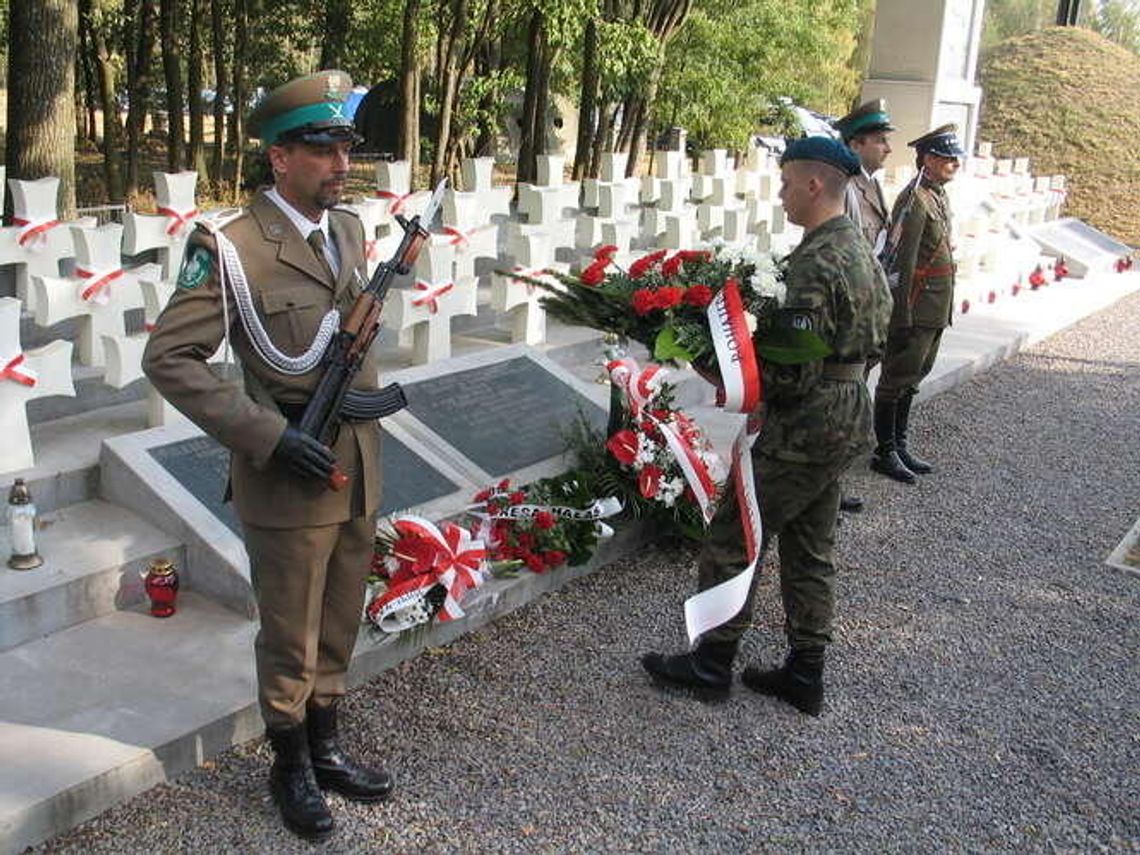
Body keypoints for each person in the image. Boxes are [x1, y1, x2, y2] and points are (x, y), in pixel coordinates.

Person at [143, 70, 393, 841]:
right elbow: (170, 357)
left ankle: (326, 743)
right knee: (289, 631)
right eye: (322, 148)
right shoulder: (230, 246)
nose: (339, 163)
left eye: (344, 145)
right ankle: (289, 763)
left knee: (342, 615)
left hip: (354, 467)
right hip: (287, 474)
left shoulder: (347, 230)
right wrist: (265, 435)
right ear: (279, 158)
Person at [641, 137, 892, 716]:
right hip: (847, 414)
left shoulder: (816, 261)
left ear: (813, 185)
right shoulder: (856, 246)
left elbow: (791, 373)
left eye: (785, 184)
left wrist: (720, 371)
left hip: (804, 428)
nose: (779, 195)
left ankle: (712, 660)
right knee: (810, 545)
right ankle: (806, 670)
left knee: (735, 533)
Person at [870, 123, 965, 484]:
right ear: (927, 158)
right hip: (916, 305)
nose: (955, 162)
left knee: (914, 377)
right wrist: (901, 314)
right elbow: (901, 262)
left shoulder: (937, 194)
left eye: (956, 157)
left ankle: (900, 442)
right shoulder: (914, 199)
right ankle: (885, 451)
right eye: (947, 156)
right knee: (896, 379)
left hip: (935, 306)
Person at [833, 98, 897, 513]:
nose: (888, 148)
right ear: (855, 144)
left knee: (853, 399)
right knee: (839, 402)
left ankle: (832, 486)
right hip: (851, 310)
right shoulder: (846, 185)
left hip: (869, 304)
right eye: (879, 140)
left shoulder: (870, 183)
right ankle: (827, 490)